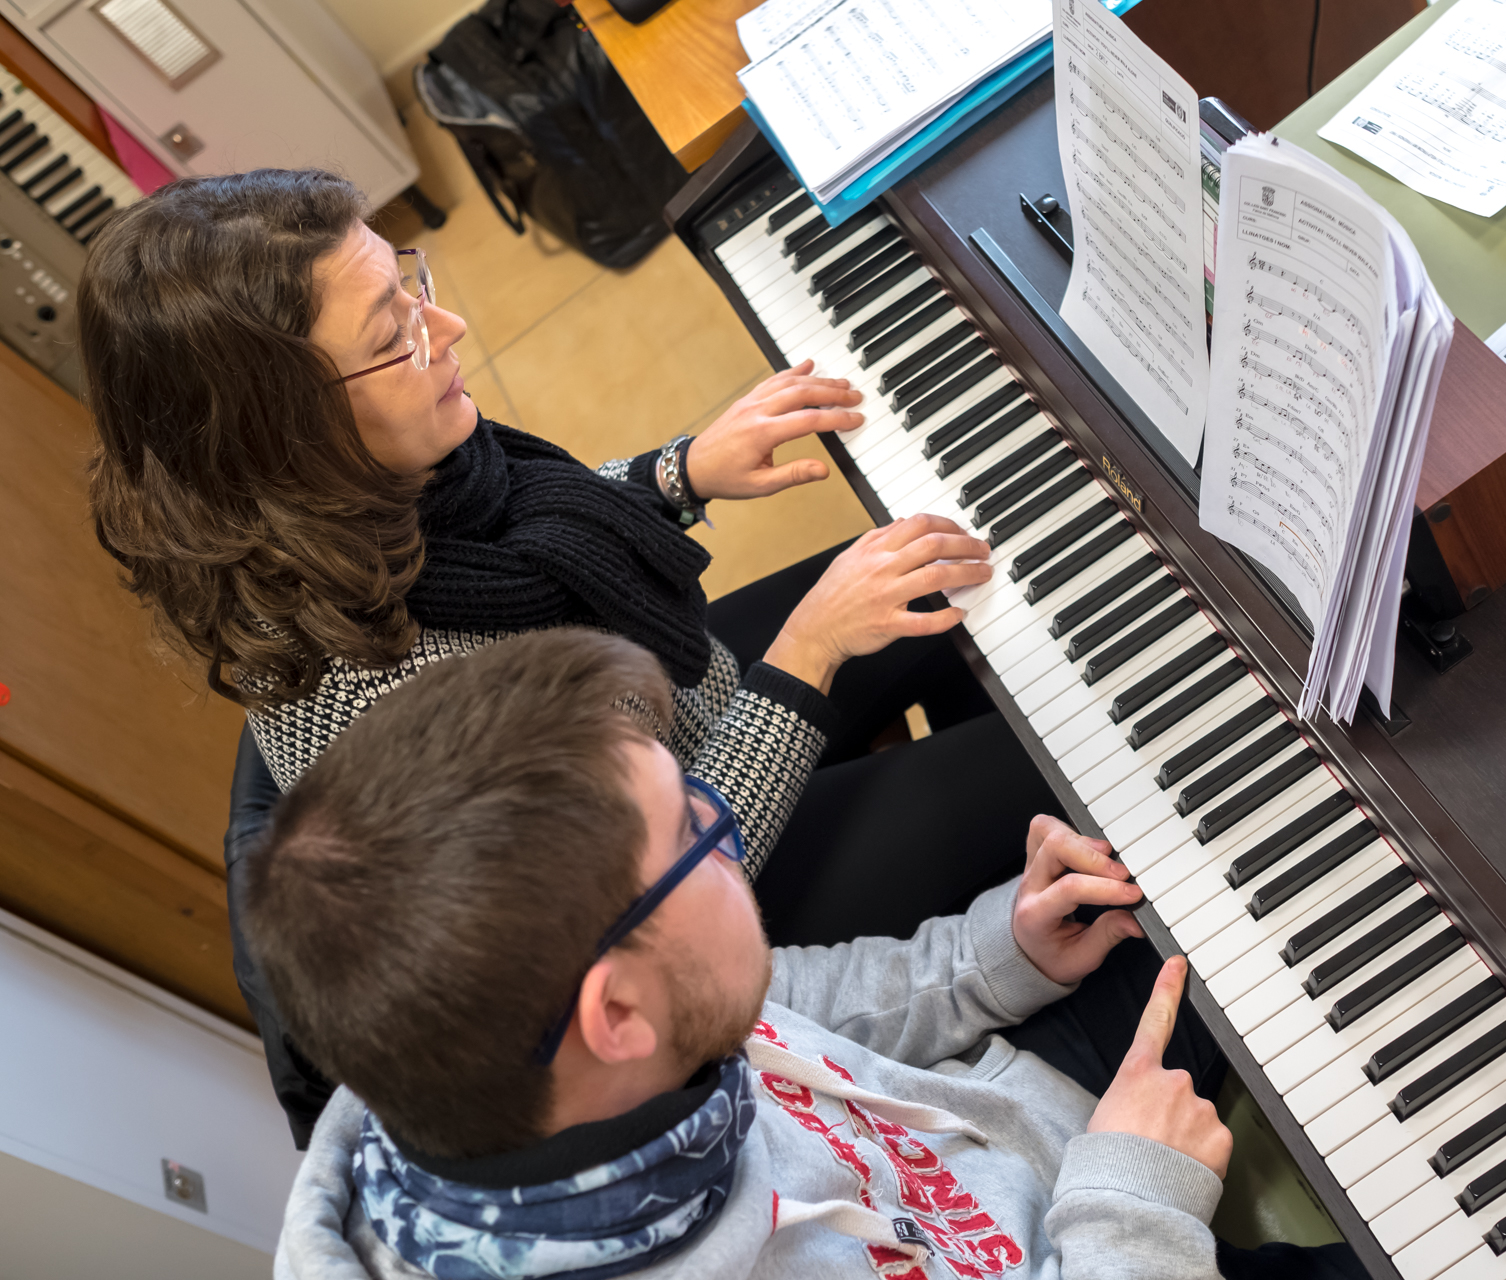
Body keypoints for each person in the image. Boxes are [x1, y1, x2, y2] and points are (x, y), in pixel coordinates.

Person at [82, 169, 1062, 1140]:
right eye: (394, 336)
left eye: (407, 285)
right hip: (691, 884)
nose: (450, 328)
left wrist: (675, 474)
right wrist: (808, 651)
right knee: (1055, 750)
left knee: (967, 590)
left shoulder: (360, 489)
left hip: (661, 720)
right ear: (287, 434)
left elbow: (535, 543)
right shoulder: (390, 703)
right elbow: (659, 876)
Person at [254, 628, 1366, 1280]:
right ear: (620, 1014)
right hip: (1106, 1231)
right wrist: (1135, 1201)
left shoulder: (531, 1066)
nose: (729, 833)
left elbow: (795, 1004)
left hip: (1031, 1134)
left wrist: (996, 956)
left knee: (1272, 826)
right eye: (700, 838)